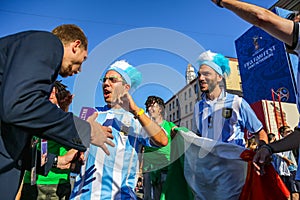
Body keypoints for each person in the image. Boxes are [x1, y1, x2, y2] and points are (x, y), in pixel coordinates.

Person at [0, 24, 115, 199]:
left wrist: (56, 161)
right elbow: (19, 105)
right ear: (76, 46)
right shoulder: (47, 43)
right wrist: (86, 130)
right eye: (83, 60)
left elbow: (11, 134)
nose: (79, 69)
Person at [210, 0, 300, 176]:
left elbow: (262, 18)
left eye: (294, 22)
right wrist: (269, 148)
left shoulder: (237, 102)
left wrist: (223, 2)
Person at [70, 60, 168, 200]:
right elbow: (73, 151)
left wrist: (135, 110)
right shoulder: (91, 114)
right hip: (81, 196)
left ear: (126, 88)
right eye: (104, 80)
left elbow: (162, 140)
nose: (106, 83)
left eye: (112, 80)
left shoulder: (137, 119)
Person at [192, 50, 268, 147]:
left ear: (219, 77)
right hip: (209, 161)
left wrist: (262, 150)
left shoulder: (237, 102)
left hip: (235, 161)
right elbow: (197, 137)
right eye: (199, 75)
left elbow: (259, 132)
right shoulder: (198, 107)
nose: (201, 78)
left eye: (206, 74)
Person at [20, 81, 79, 199]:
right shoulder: (30, 117)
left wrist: (70, 156)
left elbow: (79, 144)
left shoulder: (66, 121)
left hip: (56, 183)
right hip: (29, 181)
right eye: (46, 91)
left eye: (53, 92)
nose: (50, 94)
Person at [142, 96, 176, 200]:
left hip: (165, 169)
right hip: (149, 169)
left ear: (160, 109)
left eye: (152, 106)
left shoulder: (170, 126)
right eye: (148, 106)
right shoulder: (143, 128)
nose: (149, 109)